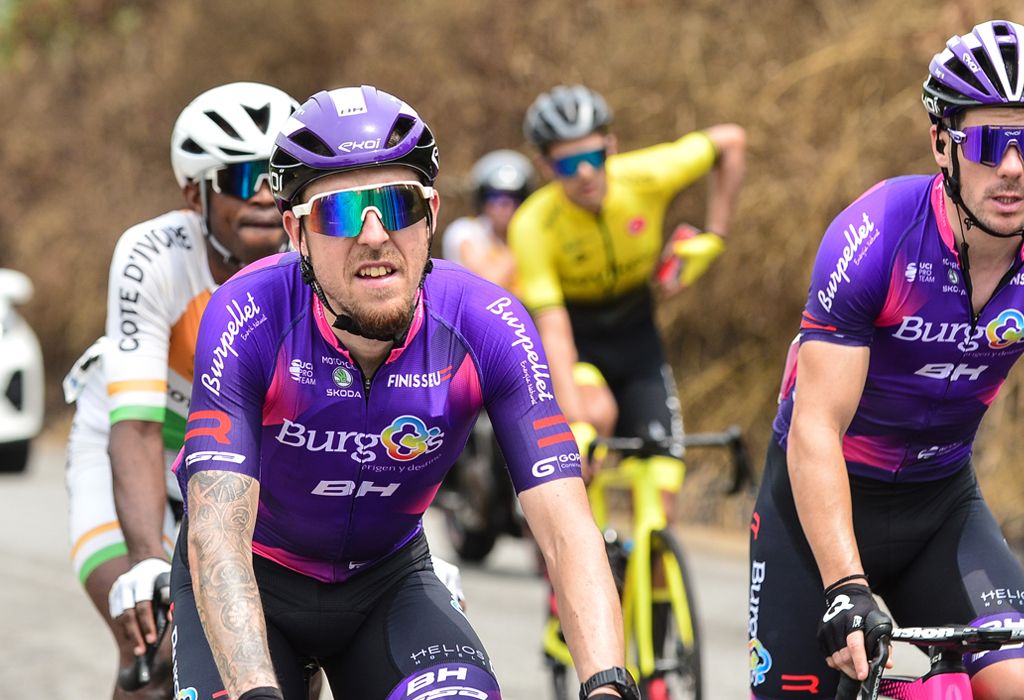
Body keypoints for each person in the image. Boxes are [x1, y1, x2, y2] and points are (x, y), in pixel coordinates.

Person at [170, 85, 637, 700]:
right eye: (337, 212)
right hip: (254, 573)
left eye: (396, 204)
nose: (373, 236)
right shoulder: (247, 313)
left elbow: (566, 528)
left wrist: (606, 683)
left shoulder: (487, 322)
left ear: (431, 215)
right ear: (296, 233)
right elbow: (217, 535)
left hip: (387, 583)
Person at [748, 20, 1024, 700]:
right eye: (989, 142)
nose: (1010, 168)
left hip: (940, 505)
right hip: (820, 500)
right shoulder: (874, 236)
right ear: (943, 143)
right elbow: (815, 425)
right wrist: (848, 588)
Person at [63, 81, 297, 700]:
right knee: (157, 645)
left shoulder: (314, 261)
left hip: (231, 461)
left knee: (279, 655)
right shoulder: (152, 255)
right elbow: (136, 427)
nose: (269, 197)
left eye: (280, 174)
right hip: (132, 448)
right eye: (245, 178)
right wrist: (147, 562)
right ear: (196, 192)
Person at [510, 83, 745, 473]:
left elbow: (731, 141)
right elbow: (553, 330)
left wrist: (716, 237)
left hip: (638, 336)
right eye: (568, 164)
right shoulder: (533, 225)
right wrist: (574, 423)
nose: (585, 173)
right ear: (545, 166)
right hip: (579, 341)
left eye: (593, 156)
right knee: (592, 421)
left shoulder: (645, 177)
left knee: (663, 474)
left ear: (611, 147)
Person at [440, 149, 535, 289]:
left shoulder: (537, 231)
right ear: (482, 200)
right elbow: (487, 284)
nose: (506, 206)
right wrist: (520, 241)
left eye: (515, 198)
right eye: (495, 197)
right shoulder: (465, 231)